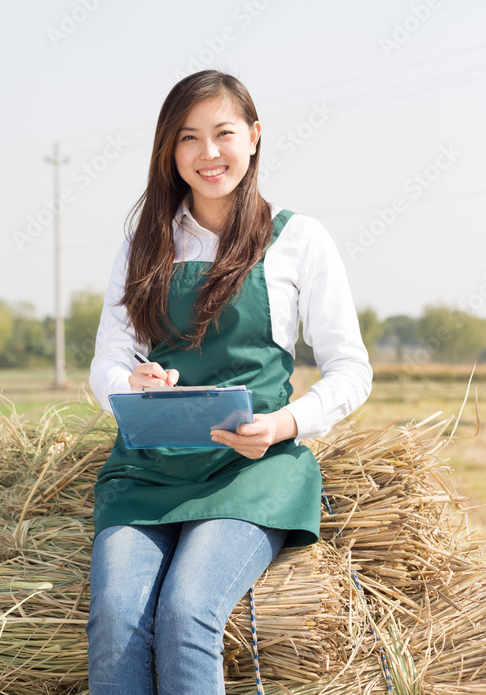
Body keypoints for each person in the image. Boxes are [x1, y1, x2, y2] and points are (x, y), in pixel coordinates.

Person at [85, 70, 372, 695]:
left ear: (255, 137)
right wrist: (132, 386)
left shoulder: (299, 239)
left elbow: (352, 368)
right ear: (170, 150)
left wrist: (285, 424)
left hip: (253, 468)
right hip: (148, 468)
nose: (208, 153)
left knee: (187, 613)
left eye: (223, 133)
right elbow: (107, 360)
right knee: (116, 619)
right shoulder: (143, 244)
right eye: (188, 138)